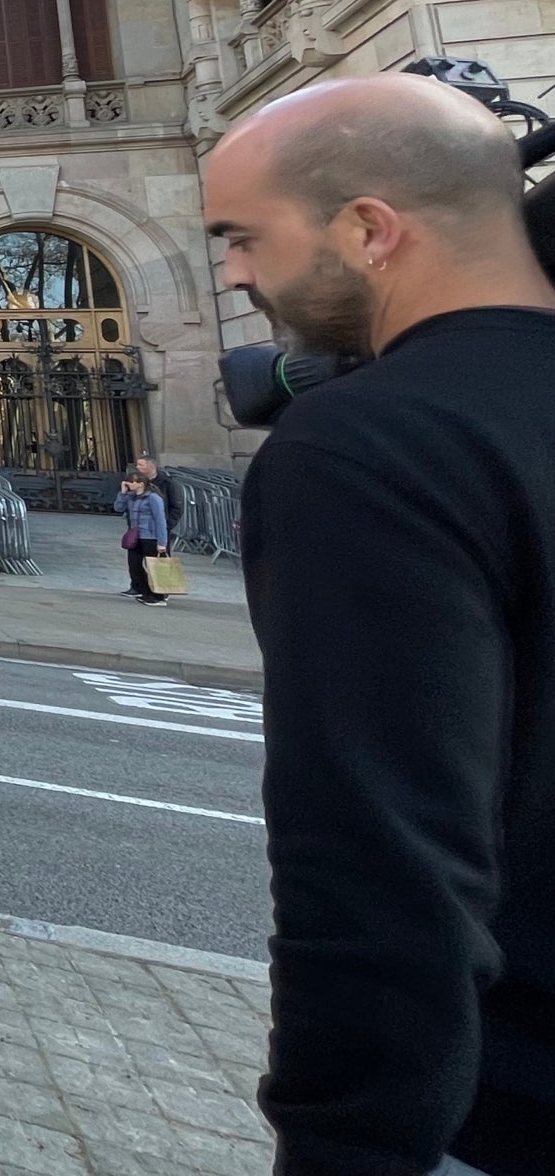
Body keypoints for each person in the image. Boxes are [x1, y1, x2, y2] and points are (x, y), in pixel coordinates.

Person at [202, 70, 555, 1174]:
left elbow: (382, 874)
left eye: (243, 237)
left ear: (367, 228)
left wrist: (342, 1148)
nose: (233, 273)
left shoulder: (368, 449)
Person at [113, 471, 168, 606]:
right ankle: (143, 589)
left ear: (140, 484)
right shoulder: (131, 497)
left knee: (152, 566)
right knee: (134, 565)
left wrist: (162, 542)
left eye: (131, 482)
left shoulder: (153, 498)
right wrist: (123, 493)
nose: (128, 484)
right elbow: (118, 508)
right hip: (136, 535)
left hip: (150, 536)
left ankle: (158, 595)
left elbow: (160, 520)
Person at [132, 454, 184, 547]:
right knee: (135, 560)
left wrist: (167, 525)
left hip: (159, 529)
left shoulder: (168, 483)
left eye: (141, 465)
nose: (137, 467)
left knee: (159, 560)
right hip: (138, 531)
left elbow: (177, 506)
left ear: (151, 466)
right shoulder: (136, 482)